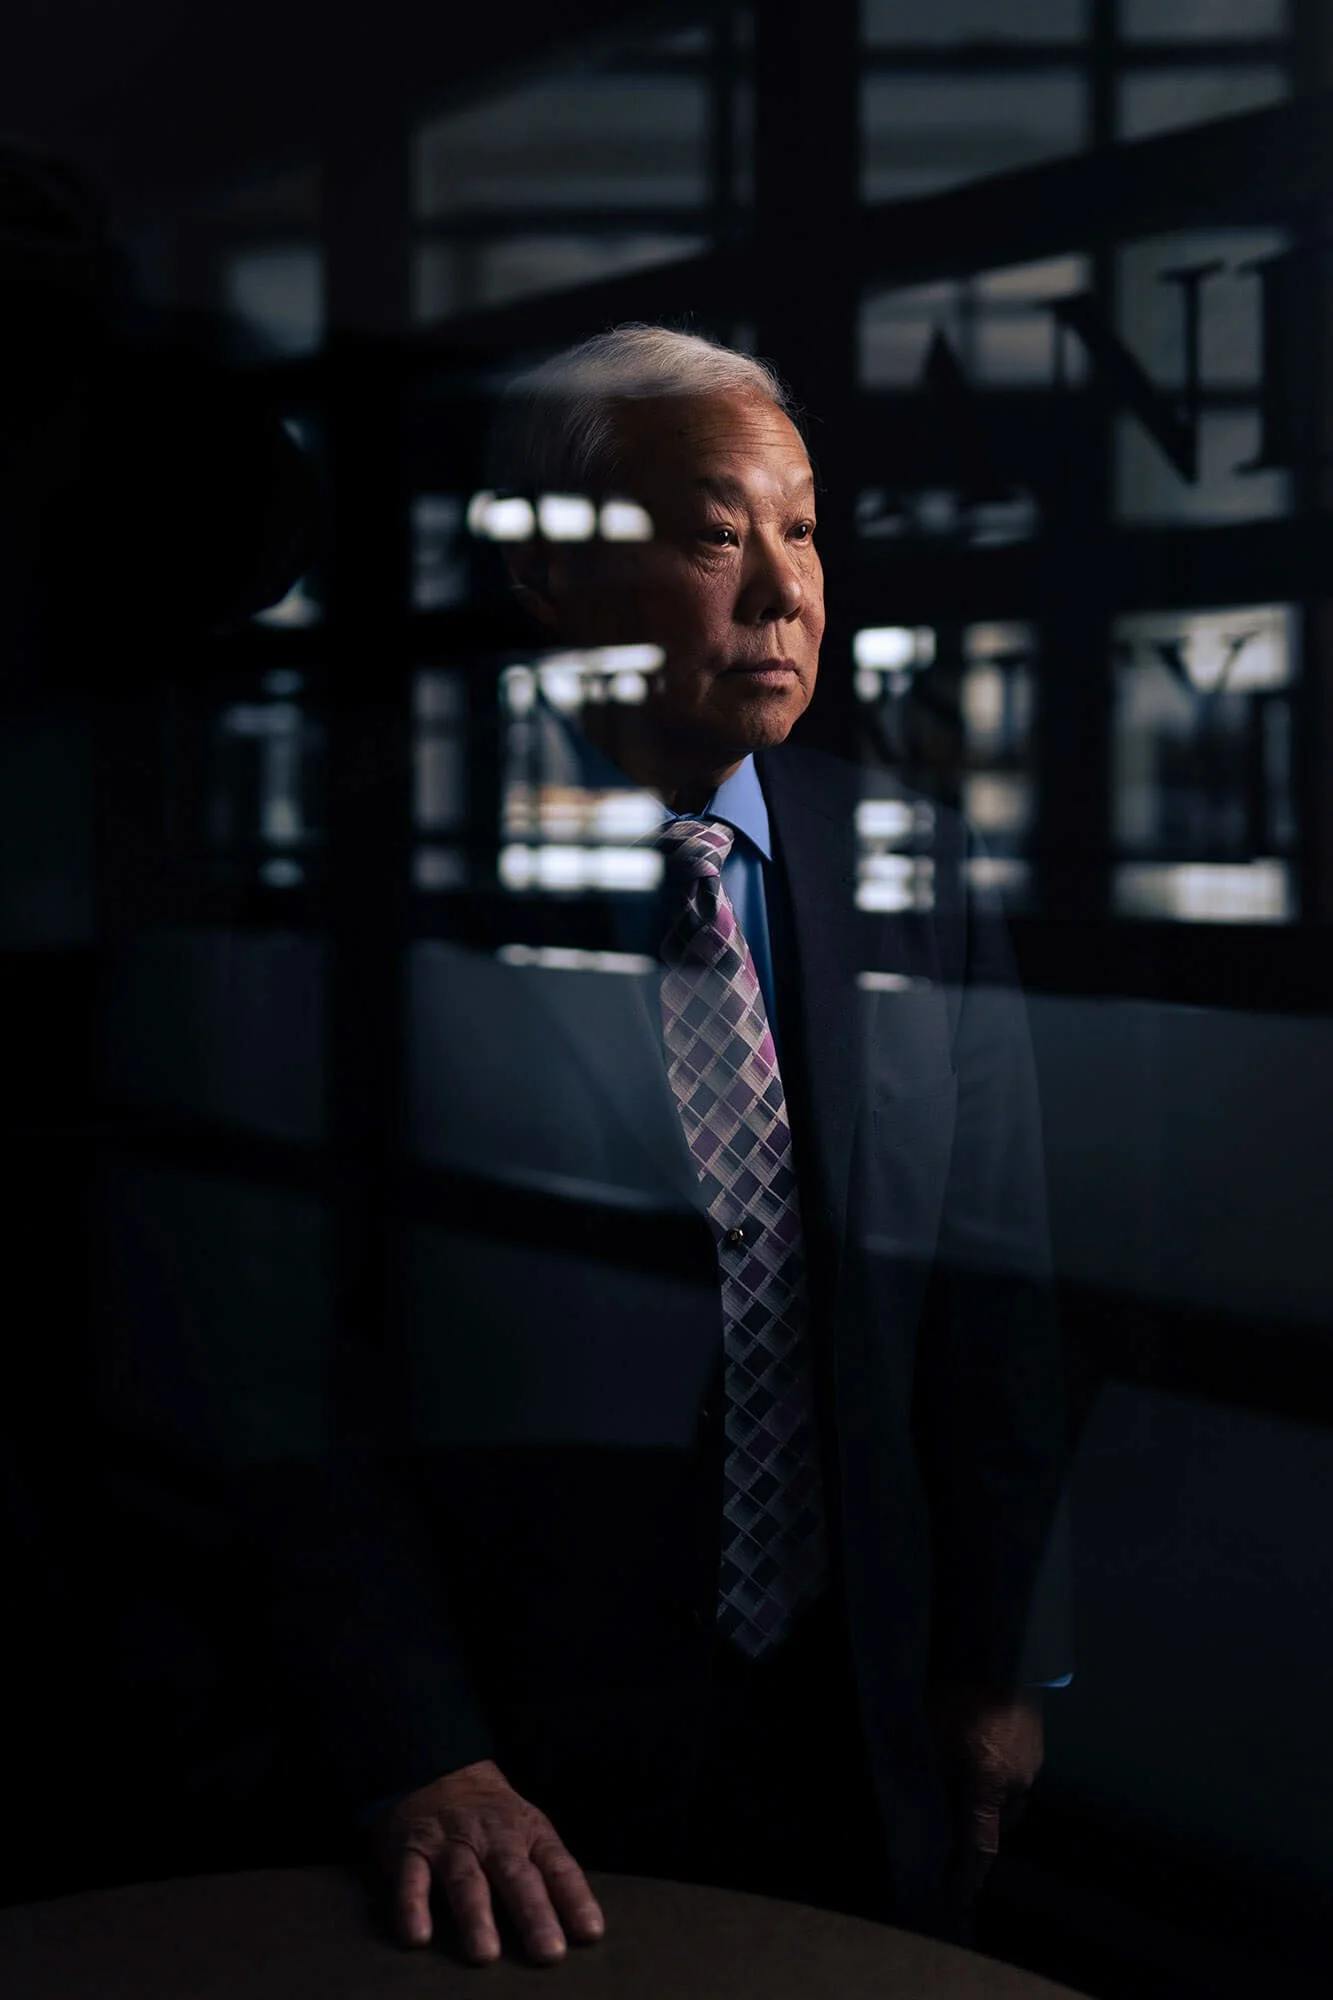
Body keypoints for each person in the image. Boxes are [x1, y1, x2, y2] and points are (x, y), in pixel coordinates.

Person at [250, 324, 1069, 1963]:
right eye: (715, 532)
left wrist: (992, 1658)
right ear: (552, 575)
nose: (783, 591)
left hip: (853, 1721)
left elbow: (995, 1296)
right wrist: (416, 1742)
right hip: (510, 1752)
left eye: (805, 529)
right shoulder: (380, 877)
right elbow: (265, 1344)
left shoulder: (906, 863)